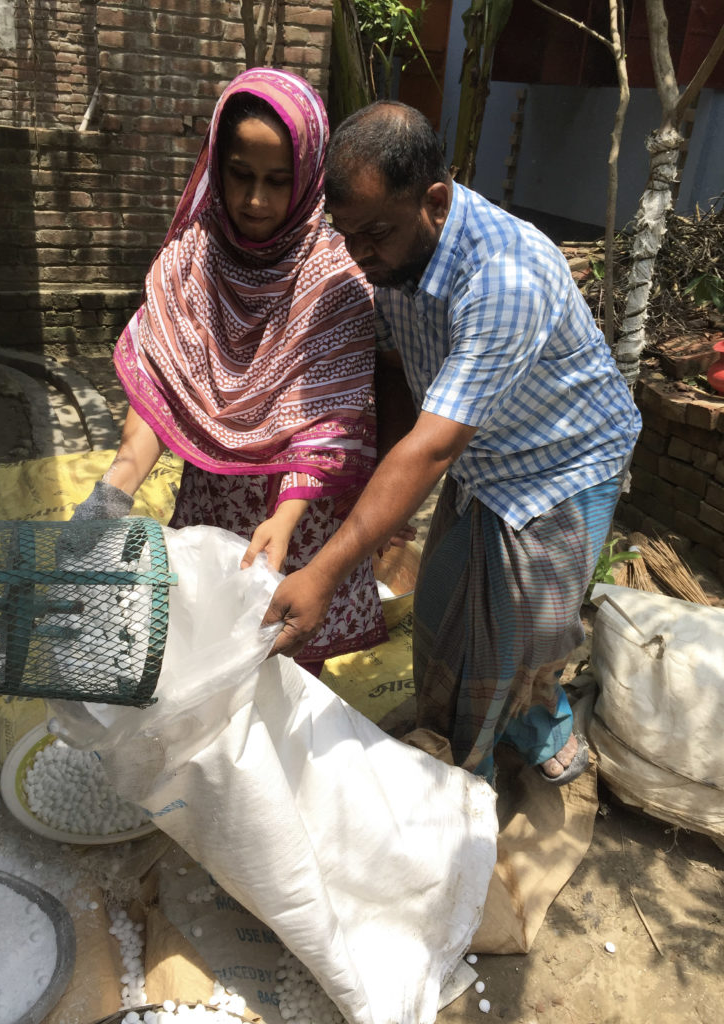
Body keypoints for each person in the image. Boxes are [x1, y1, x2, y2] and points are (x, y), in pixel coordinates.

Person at [264, 100, 642, 783]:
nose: (359, 256)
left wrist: (324, 572)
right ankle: (477, 728)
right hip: (482, 451)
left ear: (434, 199)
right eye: (346, 236)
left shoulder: (505, 277)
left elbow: (433, 448)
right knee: (443, 612)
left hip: (559, 465)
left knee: (518, 642)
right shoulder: (394, 255)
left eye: (373, 234)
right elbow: (397, 376)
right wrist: (384, 510)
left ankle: (481, 772)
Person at [71, 69, 389, 674]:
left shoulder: (335, 278)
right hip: (213, 500)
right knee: (198, 659)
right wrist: (117, 484)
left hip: (295, 512)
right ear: (216, 164)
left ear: (310, 178)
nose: (255, 202)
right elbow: (163, 382)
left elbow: (331, 421)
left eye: (278, 181)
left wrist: (286, 518)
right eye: (240, 175)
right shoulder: (192, 256)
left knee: (281, 671)